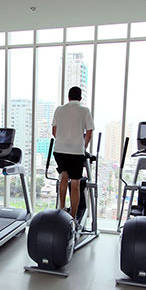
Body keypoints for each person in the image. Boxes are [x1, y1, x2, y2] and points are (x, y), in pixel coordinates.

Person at [51, 86, 95, 222]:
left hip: (59, 150)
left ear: (68, 97)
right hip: (76, 152)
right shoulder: (85, 110)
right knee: (75, 184)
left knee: (64, 176)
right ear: (80, 98)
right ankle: (73, 218)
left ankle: (62, 209)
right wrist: (84, 145)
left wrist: (63, 140)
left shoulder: (59, 109)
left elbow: (54, 131)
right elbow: (89, 131)